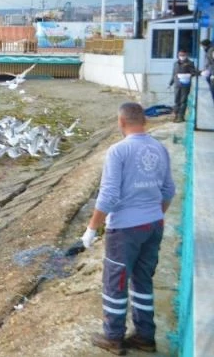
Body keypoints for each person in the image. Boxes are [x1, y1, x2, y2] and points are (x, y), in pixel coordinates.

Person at [81, 102, 175, 355]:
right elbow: (169, 190)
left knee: (116, 283)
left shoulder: (118, 151)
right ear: (144, 121)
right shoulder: (160, 148)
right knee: (143, 279)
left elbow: (109, 195)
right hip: (154, 225)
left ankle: (113, 337)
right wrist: (155, 215)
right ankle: (145, 336)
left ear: (121, 122)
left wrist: (91, 228)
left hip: (125, 230)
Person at [168, 49, 197, 122]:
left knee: (183, 101)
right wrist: (170, 83)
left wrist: (187, 75)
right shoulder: (176, 63)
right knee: (176, 100)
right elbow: (173, 74)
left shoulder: (190, 63)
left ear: (186, 55)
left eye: (183, 55)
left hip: (185, 84)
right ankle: (176, 115)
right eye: (180, 55)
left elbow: (193, 72)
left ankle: (181, 116)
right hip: (177, 84)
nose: (181, 56)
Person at [201, 39, 214, 105]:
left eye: (202, 46)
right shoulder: (208, 51)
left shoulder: (212, 51)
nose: (202, 47)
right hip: (209, 73)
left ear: (206, 45)